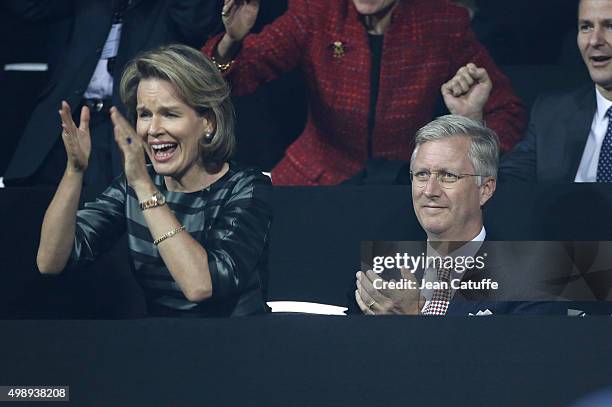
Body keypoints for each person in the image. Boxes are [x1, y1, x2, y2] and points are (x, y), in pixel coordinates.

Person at [35, 44, 272, 317]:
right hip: (161, 348)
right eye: (144, 114)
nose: (153, 130)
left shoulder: (246, 187)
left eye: (170, 114)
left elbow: (200, 287)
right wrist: (74, 171)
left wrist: (145, 188)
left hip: (239, 346)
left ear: (208, 122)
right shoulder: (133, 185)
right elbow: (50, 261)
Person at [202, 0, 526, 186]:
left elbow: (507, 113)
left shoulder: (441, 22)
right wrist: (232, 40)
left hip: (405, 185)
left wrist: (471, 127)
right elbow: (229, 80)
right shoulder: (317, 13)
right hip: (314, 176)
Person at [354, 115, 566, 316]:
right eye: (422, 174)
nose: (430, 190)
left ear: (485, 189)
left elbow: (520, 354)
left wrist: (414, 322)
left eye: (448, 176)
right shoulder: (383, 272)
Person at [4, 0, 220, 190]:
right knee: (33, 215)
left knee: (109, 220)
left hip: (126, 129)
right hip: (64, 125)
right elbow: (29, 6)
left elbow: (197, 22)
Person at [500, 0, 612, 183]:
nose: (594, 40)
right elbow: (507, 183)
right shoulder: (551, 113)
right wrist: (470, 118)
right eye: (586, 27)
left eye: (610, 26)